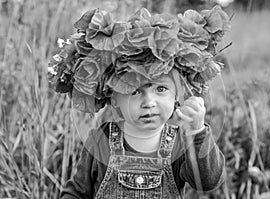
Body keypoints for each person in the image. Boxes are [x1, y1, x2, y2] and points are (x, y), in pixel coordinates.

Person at [48, 5, 230, 199]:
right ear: (114, 98)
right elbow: (77, 192)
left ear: (178, 93)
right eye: (135, 91)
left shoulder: (180, 143)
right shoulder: (100, 141)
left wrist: (196, 131)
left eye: (160, 89)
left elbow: (207, 181)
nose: (149, 102)